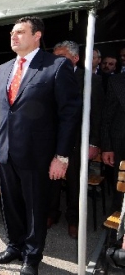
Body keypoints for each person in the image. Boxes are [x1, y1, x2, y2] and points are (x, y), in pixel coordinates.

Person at [0, 16, 80, 275]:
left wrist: (61, 156)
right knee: (11, 203)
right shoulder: (3, 69)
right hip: (5, 152)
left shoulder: (56, 66)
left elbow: (69, 114)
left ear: (37, 35)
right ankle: (15, 245)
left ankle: (32, 255)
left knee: (35, 206)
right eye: (11, 33)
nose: (13, 37)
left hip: (38, 155)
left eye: (19, 32)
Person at [49, 40, 104, 238]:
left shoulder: (90, 80)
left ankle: (74, 220)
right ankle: (51, 213)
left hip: (78, 140)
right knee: (51, 178)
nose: (56, 61)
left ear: (75, 58)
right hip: (52, 138)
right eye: (54, 57)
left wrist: (94, 143)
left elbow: (97, 114)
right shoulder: (49, 77)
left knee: (75, 182)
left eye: (61, 57)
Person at [101, 73, 125, 211]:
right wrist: (107, 147)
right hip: (121, 145)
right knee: (120, 190)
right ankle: (117, 229)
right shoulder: (117, 80)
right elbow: (107, 115)